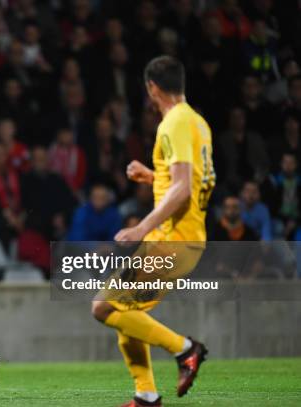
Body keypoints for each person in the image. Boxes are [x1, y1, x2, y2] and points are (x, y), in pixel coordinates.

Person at [92, 56, 215, 407]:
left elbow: (183, 190)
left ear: (152, 88)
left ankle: (186, 349)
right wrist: (151, 176)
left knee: (102, 307)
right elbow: (198, 180)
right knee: (123, 308)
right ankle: (145, 395)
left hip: (173, 240)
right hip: (188, 238)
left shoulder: (172, 124)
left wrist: (141, 227)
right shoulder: (197, 123)